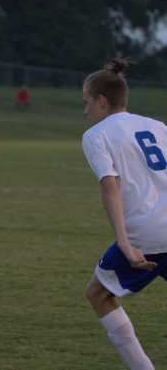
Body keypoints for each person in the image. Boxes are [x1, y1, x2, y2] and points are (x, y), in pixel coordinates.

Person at [81, 58, 166, 370]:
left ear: (101, 101)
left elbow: (110, 186)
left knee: (98, 293)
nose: (85, 110)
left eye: (86, 102)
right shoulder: (158, 126)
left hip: (147, 235)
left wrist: (124, 242)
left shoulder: (96, 134)